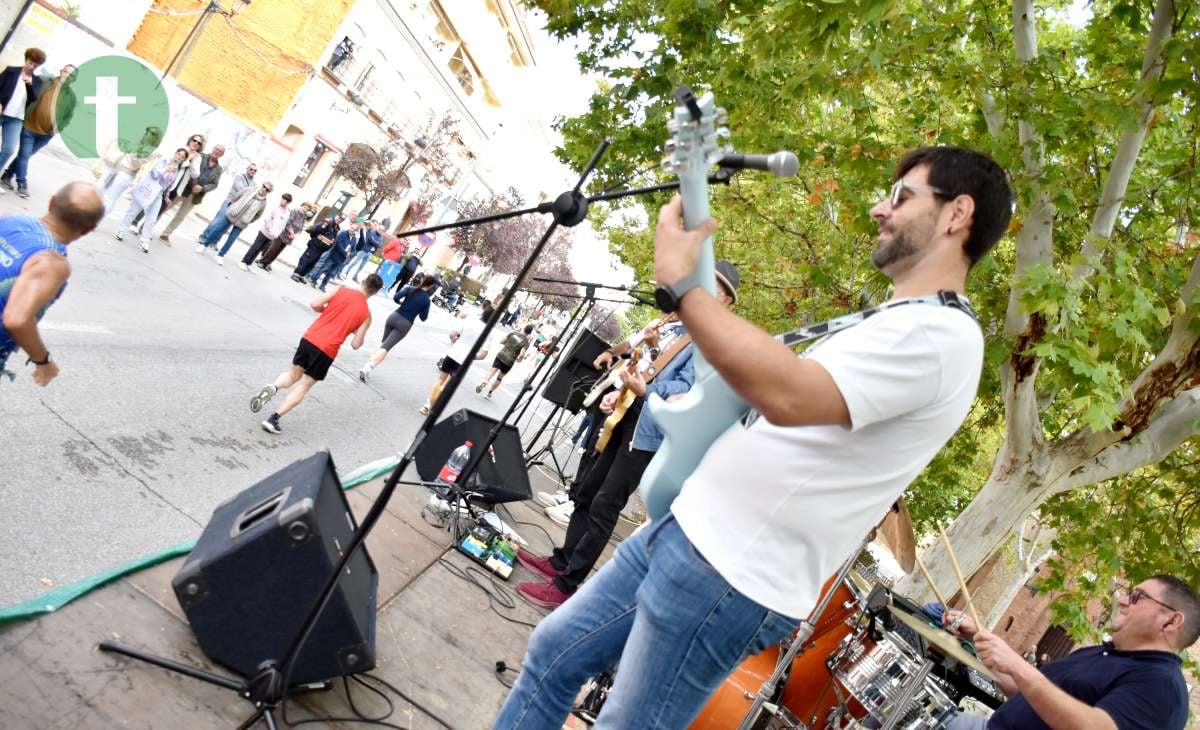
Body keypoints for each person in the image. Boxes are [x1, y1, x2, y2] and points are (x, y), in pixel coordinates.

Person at [494, 146, 1014, 727]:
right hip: (688, 532)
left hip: (728, 574)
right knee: (552, 655)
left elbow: (789, 393)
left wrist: (685, 288)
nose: (877, 209)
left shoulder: (943, 337)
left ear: (956, 213)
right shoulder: (894, 320)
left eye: (900, 197)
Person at [513, 264, 737, 610]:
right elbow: (647, 366)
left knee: (606, 504)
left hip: (648, 433)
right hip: (627, 414)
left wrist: (646, 389)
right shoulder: (682, 329)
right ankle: (561, 561)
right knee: (587, 491)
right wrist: (618, 392)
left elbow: (687, 388)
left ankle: (566, 585)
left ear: (725, 301)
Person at [941, 575, 1198, 730]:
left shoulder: (1162, 685)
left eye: (1137, 597)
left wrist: (1018, 665)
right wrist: (979, 640)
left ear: (1171, 621)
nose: (1121, 600)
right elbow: (1027, 695)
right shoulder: (1101, 653)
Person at [250, 274, 381, 433]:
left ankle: (274, 386)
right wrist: (352, 328)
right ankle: (273, 419)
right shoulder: (366, 315)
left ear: (363, 281)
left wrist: (328, 311)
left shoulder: (341, 290)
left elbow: (314, 304)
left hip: (310, 338)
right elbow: (356, 344)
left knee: (292, 375)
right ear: (374, 293)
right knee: (304, 386)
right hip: (327, 350)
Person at [0, 181, 104, 384]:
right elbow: (16, 319)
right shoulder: (51, 262)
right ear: (89, 228)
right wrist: (44, 361)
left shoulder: (11, 220)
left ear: (52, 202)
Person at [1, 63, 76, 198]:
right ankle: (22, 183)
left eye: (72, 75)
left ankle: (7, 175)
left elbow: (68, 117)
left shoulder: (71, 97)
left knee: (25, 156)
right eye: (66, 72)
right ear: (61, 71)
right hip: (29, 127)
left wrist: (59, 128)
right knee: (24, 155)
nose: (68, 76)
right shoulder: (44, 81)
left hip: (46, 134)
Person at [357, 273, 437, 381]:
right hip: (405, 324)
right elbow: (423, 318)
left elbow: (395, 297)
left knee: (383, 343)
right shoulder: (426, 300)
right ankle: (367, 367)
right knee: (386, 348)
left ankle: (368, 365)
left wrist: (402, 304)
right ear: (431, 286)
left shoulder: (409, 289)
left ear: (422, 280)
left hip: (394, 317)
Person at [417, 309, 489, 416]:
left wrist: (455, 341)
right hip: (464, 361)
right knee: (448, 384)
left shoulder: (470, 321)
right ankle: (434, 405)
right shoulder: (489, 333)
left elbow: (452, 334)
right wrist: (473, 357)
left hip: (453, 354)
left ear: (483, 313)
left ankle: (427, 405)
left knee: (440, 379)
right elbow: (483, 355)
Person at [114, 147, 185, 253]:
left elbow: (168, 185)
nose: (179, 157)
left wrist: (166, 196)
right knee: (133, 211)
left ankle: (144, 241)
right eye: (179, 154)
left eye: (182, 157)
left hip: (158, 194)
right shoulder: (164, 161)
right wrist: (166, 169)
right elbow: (154, 173)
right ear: (175, 153)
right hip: (148, 189)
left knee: (152, 219)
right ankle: (121, 230)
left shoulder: (176, 170)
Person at [159, 143, 224, 242]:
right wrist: (194, 185)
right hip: (184, 188)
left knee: (180, 216)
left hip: (196, 196)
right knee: (166, 207)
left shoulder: (219, 169)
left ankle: (165, 234)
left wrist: (202, 188)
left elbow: (214, 184)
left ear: (222, 155)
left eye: (220, 151)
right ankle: (150, 223)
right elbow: (191, 169)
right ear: (213, 148)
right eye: (216, 149)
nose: (217, 152)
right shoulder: (201, 156)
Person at [0, 48, 45, 190]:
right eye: (30, 62)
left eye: (35, 65)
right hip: (2, 112)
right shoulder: (11, 71)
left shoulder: (37, 81)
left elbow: (32, 99)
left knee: (8, 149)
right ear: (26, 60)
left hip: (16, 120)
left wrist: (28, 85)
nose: (31, 67)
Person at [194, 161, 256, 251]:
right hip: (229, 202)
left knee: (226, 226)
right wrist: (249, 192)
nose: (253, 171)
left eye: (255, 170)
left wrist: (250, 192)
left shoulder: (254, 183)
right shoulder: (240, 177)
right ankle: (203, 237)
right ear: (247, 169)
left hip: (238, 207)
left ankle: (214, 242)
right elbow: (241, 189)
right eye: (251, 169)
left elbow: (252, 195)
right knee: (218, 221)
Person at [99, 126, 161, 213]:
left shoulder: (151, 150)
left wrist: (133, 151)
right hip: (115, 167)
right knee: (100, 190)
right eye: (146, 132)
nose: (145, 134)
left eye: (149, 133)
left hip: (126, 174)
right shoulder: (140, 143)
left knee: (110, 197)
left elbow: (136, 163)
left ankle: (96, 220)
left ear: (154, 137)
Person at [206, 181, 270, 264]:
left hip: (242, 222)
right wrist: (233, 207)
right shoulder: (249, 190)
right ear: (262, 185)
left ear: (268, 192)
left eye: (267, 189)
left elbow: (258, 215)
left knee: (231, 239)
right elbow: (237, 197)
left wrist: (249, 220)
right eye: (264, 186)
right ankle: (204, 245)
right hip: (233, 214)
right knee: (218, 229)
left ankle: (221, 255)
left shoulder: (264, 203)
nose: (264, 189)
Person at [475, 324, 534, 400]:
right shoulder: (526, 342)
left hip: (501, 354)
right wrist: (519, 359)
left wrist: (508, 344)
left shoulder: (513, 333)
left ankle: (483, 383)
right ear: (529, 333)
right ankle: (489, 393)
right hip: (509, 361)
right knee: (500, 377)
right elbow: (521, 354)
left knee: (491, 372)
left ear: (524, 328)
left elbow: (501, 341)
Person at [238, 192, 291, 271]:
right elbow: (267, 220)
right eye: (282, 199)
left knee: (260, 249)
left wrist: (276, 234)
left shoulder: (287, 213)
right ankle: (243, 261)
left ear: (288, 202)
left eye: (284, 200)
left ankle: (249, 263)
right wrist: (270, 230)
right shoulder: (276, 208)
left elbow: (283, 225)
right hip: (264, 232)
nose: (282, 201)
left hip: (272, 236)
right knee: (255, 247)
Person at [257, 201, 312, 271]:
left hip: (289, 238)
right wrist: (292, 233)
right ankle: (262, 262)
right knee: (273, 249)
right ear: (301, 206)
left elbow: (301, 228)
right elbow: (288, 223)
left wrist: (295, 235)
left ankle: (267, 263)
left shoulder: (303, 217)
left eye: (307, 209)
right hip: (282, 234)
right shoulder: (293, 211)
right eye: (304, 207)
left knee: (278, 252)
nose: (305, 210)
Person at [308, 219, 359, 291]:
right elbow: (338, 244)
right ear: (350, 227)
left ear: (356, 231)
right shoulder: (343, 233)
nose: (352, 229)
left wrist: (351, 254)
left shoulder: (354, 239)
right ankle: (314, 280)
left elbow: (354, 249)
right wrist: (345, 253)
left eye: (354, 229)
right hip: (334, 256)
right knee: (324, 268)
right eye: (351, 227)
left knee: (331, 273)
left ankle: (323, 285)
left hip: (341, 259)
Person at [292, 213, 340, 281]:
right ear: (334, 217)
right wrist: (316, 240)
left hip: (321, 249)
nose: (339, 220)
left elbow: (333, 240)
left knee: (312, 262)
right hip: (315, 245)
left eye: (340, 220)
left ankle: (301, 275)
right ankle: (296, 273)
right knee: (306, 259)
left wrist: (328, 246)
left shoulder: (336, 228)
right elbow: (315, 231)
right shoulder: (327, 222)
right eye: (338, 218)